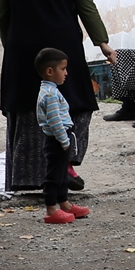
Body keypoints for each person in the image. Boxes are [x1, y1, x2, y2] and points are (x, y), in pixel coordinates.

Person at [0, 0, 115, 192]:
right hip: (63, 50)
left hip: (24, 52)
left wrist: (10, 44)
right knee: (74, 104)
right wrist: (102, 42)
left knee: (28, 109)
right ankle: (67, 162)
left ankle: (30, 175)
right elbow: (86, 6)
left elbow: (2, 11)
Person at [34, 47, 90, 224]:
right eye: (63, 69)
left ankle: (64, 204)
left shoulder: (50, 90)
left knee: (61, 174)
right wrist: (64, 141)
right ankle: (51, 210)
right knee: (54, 176)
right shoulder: (50, 95)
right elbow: (55, 121)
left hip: (59, 139)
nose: (66, 73)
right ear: (50, 71)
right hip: (57, 140)